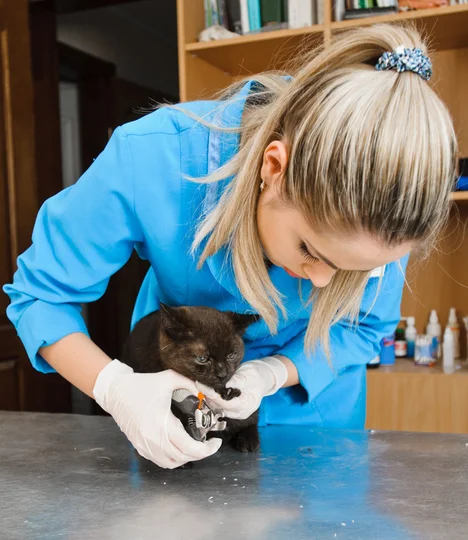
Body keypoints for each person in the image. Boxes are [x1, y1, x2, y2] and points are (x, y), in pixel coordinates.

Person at [4, 24, 456, 469]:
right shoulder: (155, 158)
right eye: (311, 251)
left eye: (352, 270)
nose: (322, 280)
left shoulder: (389, 205)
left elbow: (363, 328)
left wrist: (274, 372)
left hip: (316, 418)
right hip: (177, 391)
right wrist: (115, 387)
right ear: (274, 168)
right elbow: (43, 296)